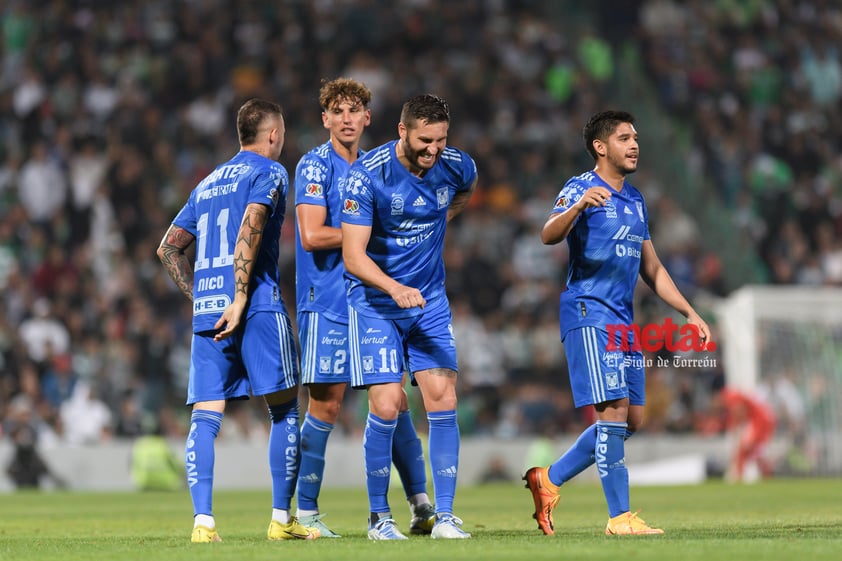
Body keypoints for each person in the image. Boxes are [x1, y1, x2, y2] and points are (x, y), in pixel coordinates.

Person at [524, 110, 711, 536]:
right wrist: (578, 206)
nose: (634, 144)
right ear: (600, 146)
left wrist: (689, 312)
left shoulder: (636, 200)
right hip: (589, 312)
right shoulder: (580, 186)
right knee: (612, 412)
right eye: (625, 137)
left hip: (624, 322)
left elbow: (654, 269)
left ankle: (548, 480)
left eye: (636, 137)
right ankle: (620, 518)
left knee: (632, 421)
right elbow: (548, 235)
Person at [157, 98, 318, 543]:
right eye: (281, 134)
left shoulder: (206, 183)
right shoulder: (269, 172)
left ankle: (203, 524)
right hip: (256, 305)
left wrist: (200, 297)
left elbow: (168, 248)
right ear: (272, 135)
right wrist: (241, 294)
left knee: (205, 418)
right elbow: (251, 223)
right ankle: (281, 519)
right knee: (285, 410)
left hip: (208, 311)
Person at [293, 78, 435, 538]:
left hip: (372, 303)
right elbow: (312, 235)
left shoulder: (379, 167)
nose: (348, 118)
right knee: (326, 405)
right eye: (338, 111)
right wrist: (365, 232)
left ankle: (419, 503)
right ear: (326, 119)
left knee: (392, 402)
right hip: (327, 302)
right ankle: (307, 513)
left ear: (368, 118)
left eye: (356, 110)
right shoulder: (314, 166)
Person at [341, 93, 477, 540]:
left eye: (440, 140)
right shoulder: (367, 176)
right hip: (376, 303)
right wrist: (394, 287)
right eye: (424, 140)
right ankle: (380, 518)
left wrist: (443, 216)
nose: (433, 150)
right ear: (402, 131)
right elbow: (353, 257)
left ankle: (446, 517)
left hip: (429, 301)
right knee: (386, 402)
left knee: (443, 397)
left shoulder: (457, 166)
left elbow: (463, 190)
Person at [715, 386, 777, 483]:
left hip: (760, 421)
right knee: (754, 451)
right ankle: (765, 474)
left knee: (745, 450)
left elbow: (739, 410)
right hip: (765, 420)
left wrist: (735, 427)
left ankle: (740, 477)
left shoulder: (729, 397)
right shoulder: (734, 396)